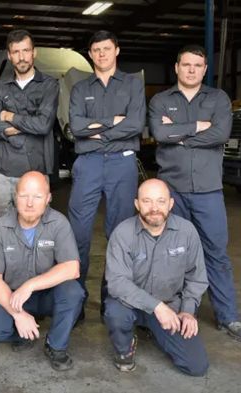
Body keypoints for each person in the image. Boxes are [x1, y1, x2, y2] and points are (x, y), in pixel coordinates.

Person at [149, 45, 241, 342]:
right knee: (172, 254)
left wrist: (180, 136)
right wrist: (198, 127)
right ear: (177, 67)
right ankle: (174, 312)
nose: (191, 70)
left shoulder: (218, 99)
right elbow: (159, 134)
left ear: (205, 69)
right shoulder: (160, 100)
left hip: (208, 191)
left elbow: (221, 134)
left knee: (216, 254)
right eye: (186, 64)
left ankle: (228, 317)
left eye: (198, 65)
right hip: (172, 193)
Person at [0, 30, 59, 321]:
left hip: (37, 174)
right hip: (4, 174)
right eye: (15, 52)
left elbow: (44, 125)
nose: (21, 57)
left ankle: (36, 299)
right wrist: (18, 124)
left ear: (34, 52)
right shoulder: (0, 87)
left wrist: (10, 118)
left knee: (39, 238)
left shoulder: (49, 85)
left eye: (26, 51)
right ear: (9, 55)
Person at [68, 30, 146, 320]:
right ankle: (75, 302)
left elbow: (136, 124)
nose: (101, 54)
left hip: (121, 164)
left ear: (117, 50)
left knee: (120, 233)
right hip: (87, 163)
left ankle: (111, 301)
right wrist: (113, 123)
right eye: (96, 50)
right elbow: (76, 127)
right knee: (78, 234)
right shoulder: (79, 89)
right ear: (90, 54)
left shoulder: (132, 85)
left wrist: (96, 130)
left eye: (106, 48)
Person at [0, 171, 84, 371]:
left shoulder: (59, 223)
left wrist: (31, 285)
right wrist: (17, 314)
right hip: (14, 297)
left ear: (48, 198)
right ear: (15, 197)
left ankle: (56, 345)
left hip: (48, 294)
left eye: (37, 196)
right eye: (24, 195)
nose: (29, 203)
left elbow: (72, 268)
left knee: (73, 293)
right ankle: (22, 332)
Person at [104, 179, 209, 376]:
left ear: (171, 204)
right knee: (115, 313)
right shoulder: (123, 233)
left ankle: (155, 329)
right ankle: (124, 348)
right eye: (147, 201)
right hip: (130, 304)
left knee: (196, 366)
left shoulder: (187, 232)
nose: (154, 208)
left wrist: (187, 310)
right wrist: (156, 307)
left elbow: (197, 277)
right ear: (136, 204)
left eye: (161, 201)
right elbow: (117, 283)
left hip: (171, 306)